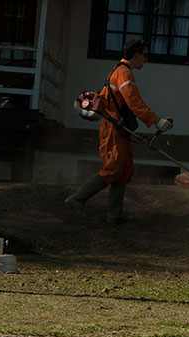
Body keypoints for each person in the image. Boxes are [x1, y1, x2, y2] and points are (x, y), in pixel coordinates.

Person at [65, 38, 173, 224]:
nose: (146, 60)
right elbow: (134, 102)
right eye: (145, 55)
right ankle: (76, 199)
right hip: (113, 128)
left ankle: (114, 215)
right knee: (114, 169)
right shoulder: (123, 73)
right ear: (137, 54)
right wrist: (156, 120)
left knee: (124, 170)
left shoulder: (122, 71)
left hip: (120, 128)